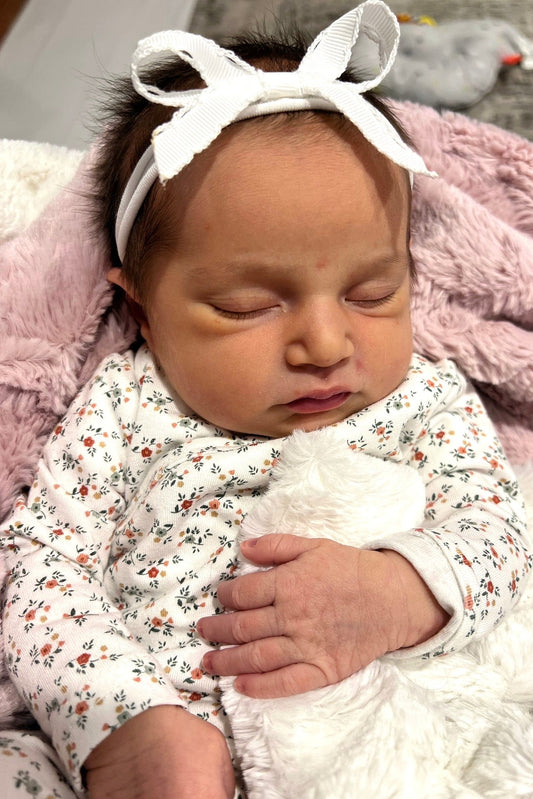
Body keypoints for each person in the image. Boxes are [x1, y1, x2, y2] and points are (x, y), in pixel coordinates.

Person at [0, 3, 530, 798]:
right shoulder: (124, 402)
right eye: (247, 305)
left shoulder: (423, 395)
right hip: (143, 737)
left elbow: (500, 529)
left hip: (382, 741)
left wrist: (400, 591)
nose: (324, 343)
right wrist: (119, 719)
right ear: (142, 308)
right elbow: (41, 563)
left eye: (372, 292)